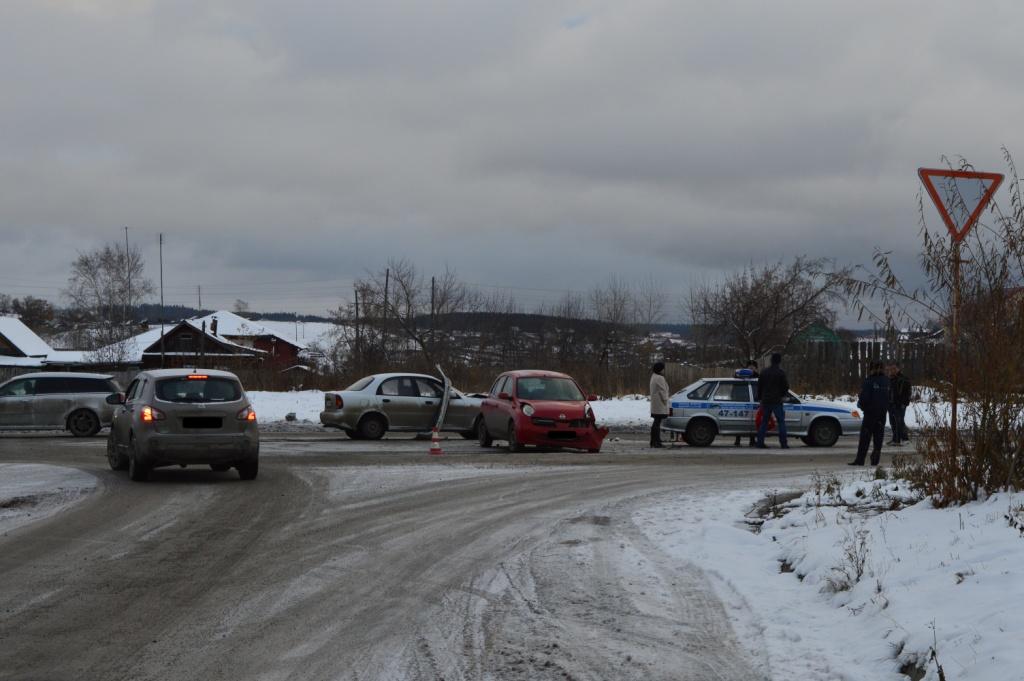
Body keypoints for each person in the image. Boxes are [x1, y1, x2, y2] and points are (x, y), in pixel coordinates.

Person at [851, 360, 890, 466]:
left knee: (865, 437)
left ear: (872, 369)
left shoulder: (869, 381)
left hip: (870, 413)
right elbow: (891, 398)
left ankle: (860, 460)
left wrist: (862, 406)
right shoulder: (887, 381)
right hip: (882, 414)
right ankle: (875, 460)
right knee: (878, 438)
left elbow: (864, 398)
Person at [755, 353, 789, 449]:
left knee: (764, 422)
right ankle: (783, 443)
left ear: (771, 360)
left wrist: (760, 397)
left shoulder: (764, 372)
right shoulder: (781, 373)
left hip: (766, 401)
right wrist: (782, 395)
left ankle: (760, 442)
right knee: (781, 422)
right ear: (779, 361)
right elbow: (786, 386)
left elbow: (759, 386)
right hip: (777, 401)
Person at [735, 360, 759, 447]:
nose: (751, 367)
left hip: (753, 401)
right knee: (740, 420)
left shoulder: (756, 376)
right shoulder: (742, 375)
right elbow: (735, 378)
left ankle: (752, 440)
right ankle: (737, 439)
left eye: (753, 366)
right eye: (750, 366)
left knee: (752, 421)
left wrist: (755, 373)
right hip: (740, 400)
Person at [887, 363, 912, 446]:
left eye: (893, 369)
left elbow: (907, 393)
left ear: (898, 369)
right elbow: (889, 392)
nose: (891, 371)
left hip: (900, 404)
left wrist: (904, 403)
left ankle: (905, 439)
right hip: (891, 404)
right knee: (893, 422)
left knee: (899, 421)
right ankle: (895, 439)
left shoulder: (903, 379)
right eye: (890, 369)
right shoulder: (890, 379)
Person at [649, 362, 670, 448]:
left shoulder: (653, 376)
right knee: (657, 423)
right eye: (663, 368)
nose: (663, 370)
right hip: (660, 403)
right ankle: (657, 442)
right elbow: (663, 390)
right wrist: (665, 400)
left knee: (656, 423)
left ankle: (653, 441)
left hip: (655, 403)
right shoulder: (660, 378)